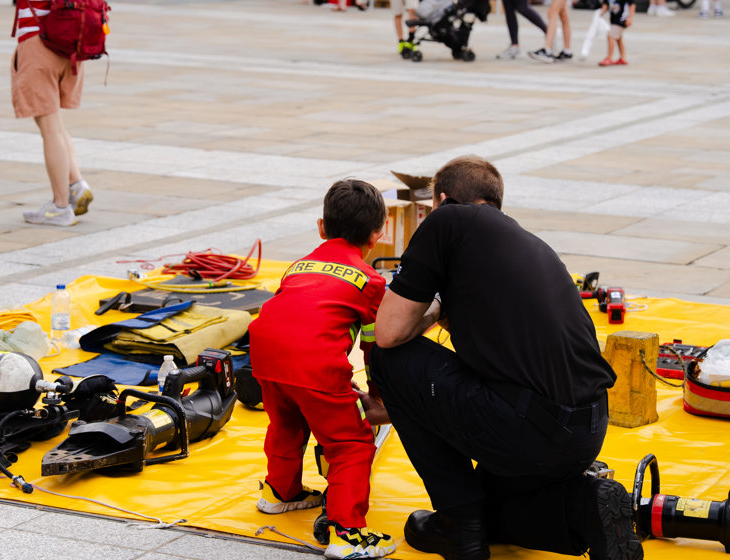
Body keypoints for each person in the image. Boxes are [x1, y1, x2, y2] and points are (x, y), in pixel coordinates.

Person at [367, 155, 644, 560]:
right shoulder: (530, 244)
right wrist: (415, 405)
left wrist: (406, 389)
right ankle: (585, 505)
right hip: (586, 431)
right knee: (491, 504)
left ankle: (458, 528)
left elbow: (390, 332)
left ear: (442, 200)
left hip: (526, 428)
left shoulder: (447, 221)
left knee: (388, 360)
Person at [248, 179, 396, 559]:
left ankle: (280, 493)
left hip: (263, 356)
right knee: (350, 443)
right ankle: (347, 534)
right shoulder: (372, 281)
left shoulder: (298, 266)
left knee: (285, 423)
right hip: (315, 366)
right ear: (377, 235)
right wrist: (377, 401)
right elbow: (374, 350)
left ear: (320, 227)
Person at [12, 0, 94, 227]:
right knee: (54, 124)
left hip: (38, 43)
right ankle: (75, 184)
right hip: (68, 44)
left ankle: (60, 206)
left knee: (49, 127)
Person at [598, 0, 635, 66]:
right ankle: (623, 58)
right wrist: (601, 13)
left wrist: (630, 18)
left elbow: (632, 5)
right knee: (618, 38)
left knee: (610, 35)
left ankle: (609, 57)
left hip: (622, 19)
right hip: (614, 20)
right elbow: (605, 4)